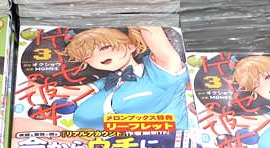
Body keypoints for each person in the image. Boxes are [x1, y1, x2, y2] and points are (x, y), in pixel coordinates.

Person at [55, 27, 189, 130]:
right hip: (119, 144)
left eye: (105, 47)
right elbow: (82, 90)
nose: (99, 57)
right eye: (88, 56)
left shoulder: (159, 72)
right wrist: (47, 90)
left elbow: (158, 41)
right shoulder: (110, 82)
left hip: (168, 138)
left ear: (130, 46)